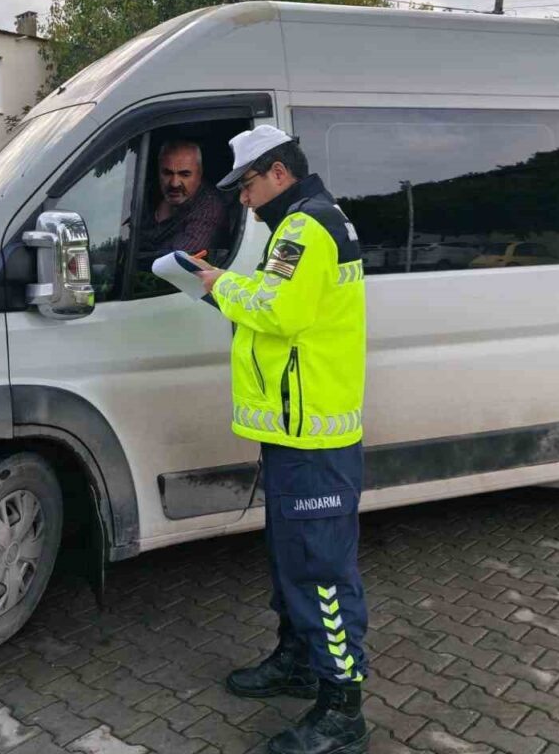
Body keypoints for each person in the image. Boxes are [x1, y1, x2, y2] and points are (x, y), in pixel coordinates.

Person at [193, 124, 368, 754]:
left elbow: (278, 310)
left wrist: (218, 284)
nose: (243, 199)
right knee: (293, 558)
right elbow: (280, 303)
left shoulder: (304, 226)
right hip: (299, 429)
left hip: (312, 435)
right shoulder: (310, 220)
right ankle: (297, 660)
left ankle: (343, 709)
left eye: (245, 185)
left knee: (320, 569)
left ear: (277, 173)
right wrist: (224, 287)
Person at [140, 139, 230, 257]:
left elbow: (176, 262)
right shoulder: (147, 192)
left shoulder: (209, 209)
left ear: (200, 173)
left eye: (184, 174)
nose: (174, 183)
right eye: (167, 173)